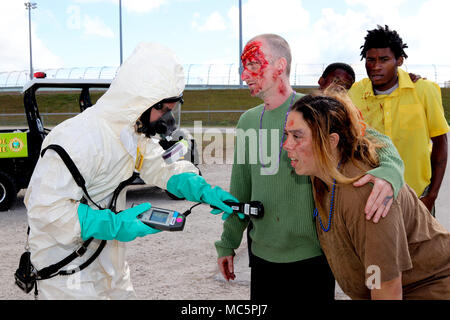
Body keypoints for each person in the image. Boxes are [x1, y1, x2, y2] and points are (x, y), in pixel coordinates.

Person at [24, 42, 240, 300]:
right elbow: (45, 210)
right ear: (139, 99)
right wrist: (114, 224)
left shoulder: (132, 132)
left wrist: (201, 190)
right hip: (64, 268)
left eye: (171, 111)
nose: (167, 120)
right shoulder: (77, 138)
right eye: (162, 109)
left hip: (108, 263)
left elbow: (160, 165)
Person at [214, 34, 405, 301]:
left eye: (254, 64)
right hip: (262, 258)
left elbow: (381, 143)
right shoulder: (247, 122)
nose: (245, 73)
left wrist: (389, 174)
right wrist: (227, 243)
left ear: (280, 66)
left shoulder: (318, 110)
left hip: (314, 259)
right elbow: (240, 192)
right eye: (243, 66)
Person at [283, 89, 450, 299]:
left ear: (332, 141)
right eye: (286, 135)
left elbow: (386, 287)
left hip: (428, 290)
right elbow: (358, 130)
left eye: (297, 136)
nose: (286, 145)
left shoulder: (366, 195)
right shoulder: (322, 170)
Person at [348, 25, 449, 215]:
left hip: (418, 196)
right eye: (370, 60)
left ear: (399, 60)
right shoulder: (355, 94)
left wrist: (431, 196)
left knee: (421, 246)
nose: (376, 66)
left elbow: (440, 143)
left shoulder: (424, 90)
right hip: (371, 199)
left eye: (384, 60)